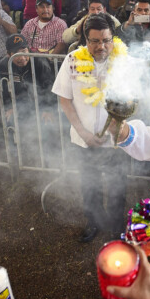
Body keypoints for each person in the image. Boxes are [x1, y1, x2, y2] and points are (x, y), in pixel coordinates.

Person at [52, 14, 129, 242]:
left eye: (106, 40)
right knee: (89, 185)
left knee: (117, 185)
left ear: (113, 38)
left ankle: (117, 227)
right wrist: (83, 132)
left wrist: (118, 127)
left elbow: (133, 99)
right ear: (86, 40)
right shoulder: (73, 60)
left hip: (116, 139)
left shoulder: (124, 62)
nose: (101, 46)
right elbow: (64, 99)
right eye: (95, 41)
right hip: (83, 138)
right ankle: (94, 222)